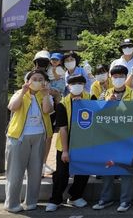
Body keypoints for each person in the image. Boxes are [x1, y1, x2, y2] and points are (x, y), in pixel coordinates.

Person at [4, 70, 54, 213]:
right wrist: (23, 92)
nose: (38, 81)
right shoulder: (20, 93)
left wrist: (45, 95)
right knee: (15, 171)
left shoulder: (45, 95)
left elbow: (47, 110)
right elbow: (12, 107)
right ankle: (12, 203)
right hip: (19, 137)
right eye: (34, 78)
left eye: (41, 79)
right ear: (28, 80)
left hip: (39, 136)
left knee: (36, 170)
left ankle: (31, 202)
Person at [92, 65, 133, 212]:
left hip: (128, 138)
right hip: (109, 138)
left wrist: (120, 105)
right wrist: (108, 104)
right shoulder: (105, 94)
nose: (118, 79)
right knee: (108, 168)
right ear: (111, 78)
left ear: (126, 78)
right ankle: (106, 199)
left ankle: (125, 201)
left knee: (126, 169)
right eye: (115, 76)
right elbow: (97, 114)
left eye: (121, 76)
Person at [46, 75, 91, 212]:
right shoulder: (63, 104)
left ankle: (75, 196)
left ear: (84, 85)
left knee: (84, 171)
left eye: (80, 83)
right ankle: (55, 199)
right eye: (73, 83)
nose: (77, 85)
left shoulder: (91, 99)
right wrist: (65, 151)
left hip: (85, 144)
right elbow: (63, 129)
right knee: (62, 173)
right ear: (68, 86)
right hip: (66, 144)